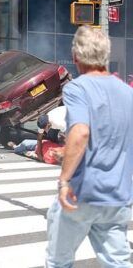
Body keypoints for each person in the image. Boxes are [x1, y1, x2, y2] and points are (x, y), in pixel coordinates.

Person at [45, 25, 133, 267]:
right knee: (117, 263)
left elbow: (81, 131)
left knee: (59, 261)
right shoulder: (128, 93)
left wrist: (64, 181)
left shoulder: (78, 88)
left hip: (82, 193)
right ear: (106, 55)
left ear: (75, 57)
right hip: (117, 196)